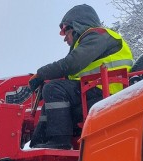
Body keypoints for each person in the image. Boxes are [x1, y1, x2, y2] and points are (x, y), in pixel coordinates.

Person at [28, 4, 132, 149]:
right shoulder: (91, 41)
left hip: (107, 91)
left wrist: (41, 74)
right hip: (96, 89)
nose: (65, 39)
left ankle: (60, 142)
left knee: (53, 89)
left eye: (66, 32)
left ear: (76, 26)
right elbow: (73, 74)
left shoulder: (98, 35)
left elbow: (71, 64)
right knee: (50, 94)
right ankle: (37, 144)